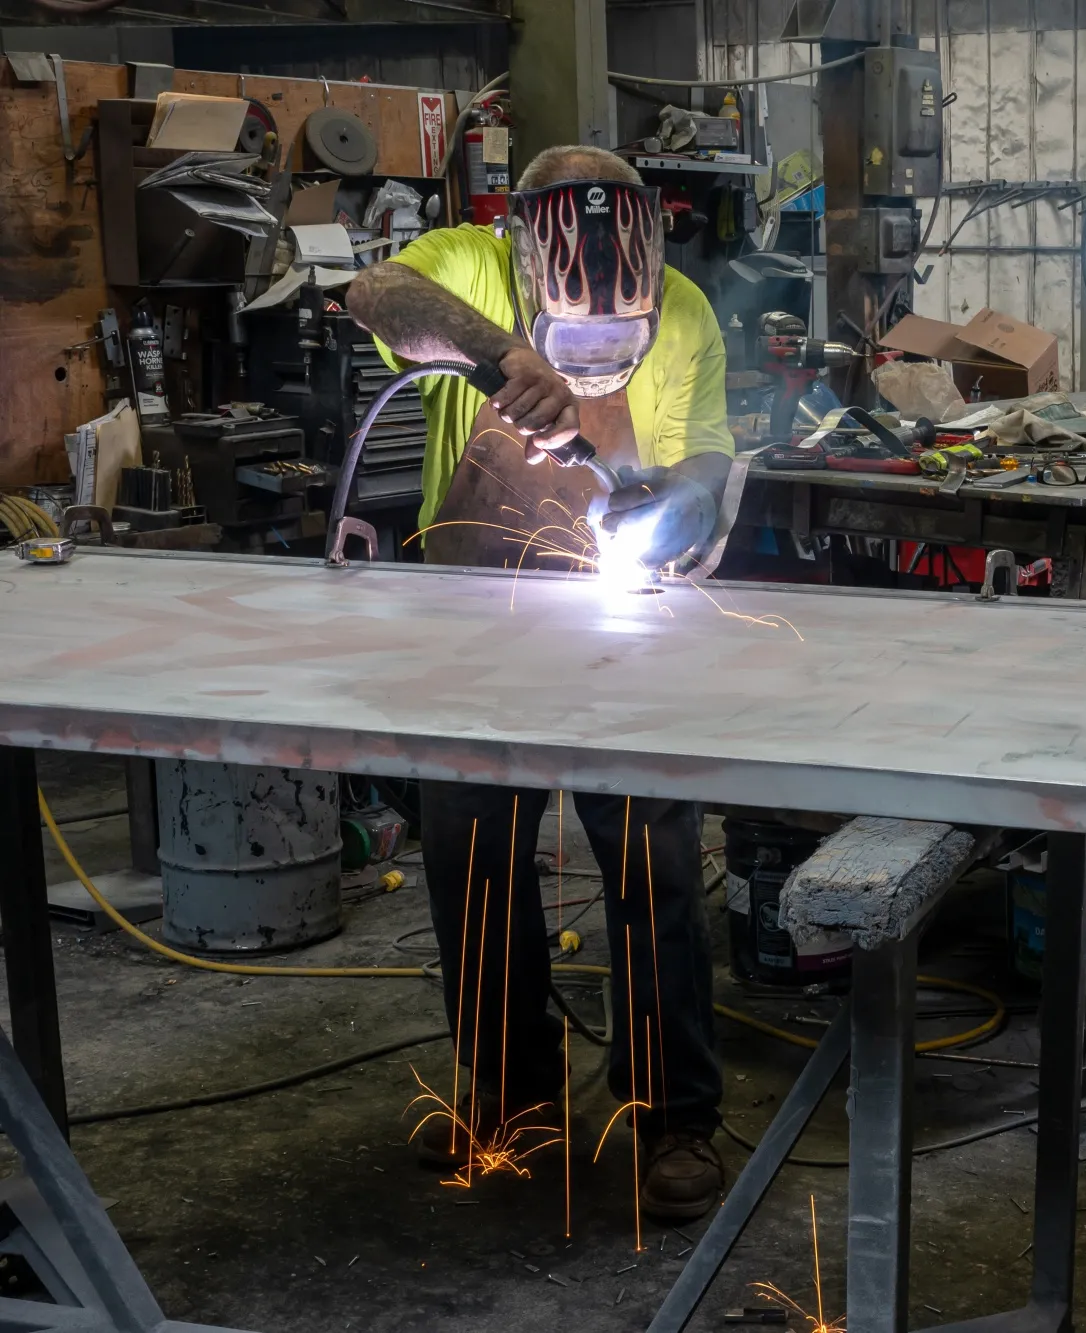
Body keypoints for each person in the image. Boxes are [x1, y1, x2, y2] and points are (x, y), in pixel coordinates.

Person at [346, 144, 731, 1221]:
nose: (604, 357)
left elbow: (706, 451)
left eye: (624, 337)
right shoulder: (468, 263)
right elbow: (371, 290)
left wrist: (690, 501)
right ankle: (510, 1101)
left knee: (654, 863)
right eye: (580, 339)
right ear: (522, 256)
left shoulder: (688, 309)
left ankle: (675, 1116)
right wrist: (501, 356)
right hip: (472, 619)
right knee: (473, 861)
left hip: (624, 612)